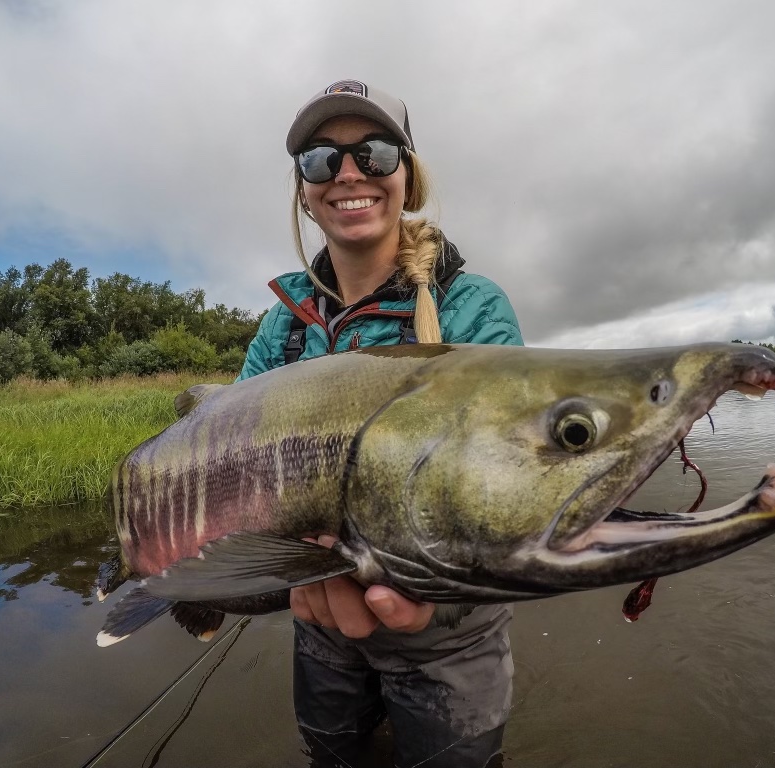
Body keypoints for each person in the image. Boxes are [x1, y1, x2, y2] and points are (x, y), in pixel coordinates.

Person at [236, 79, 524, 768]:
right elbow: (239, 461)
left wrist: (438, 606)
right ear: (305, 191)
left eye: (373, 151)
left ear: (408, 173)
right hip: (322, 624)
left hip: (450, 639)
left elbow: (507, 487)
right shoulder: (282, 323)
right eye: (320, 160)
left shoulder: (474, 307)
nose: (348, 174)